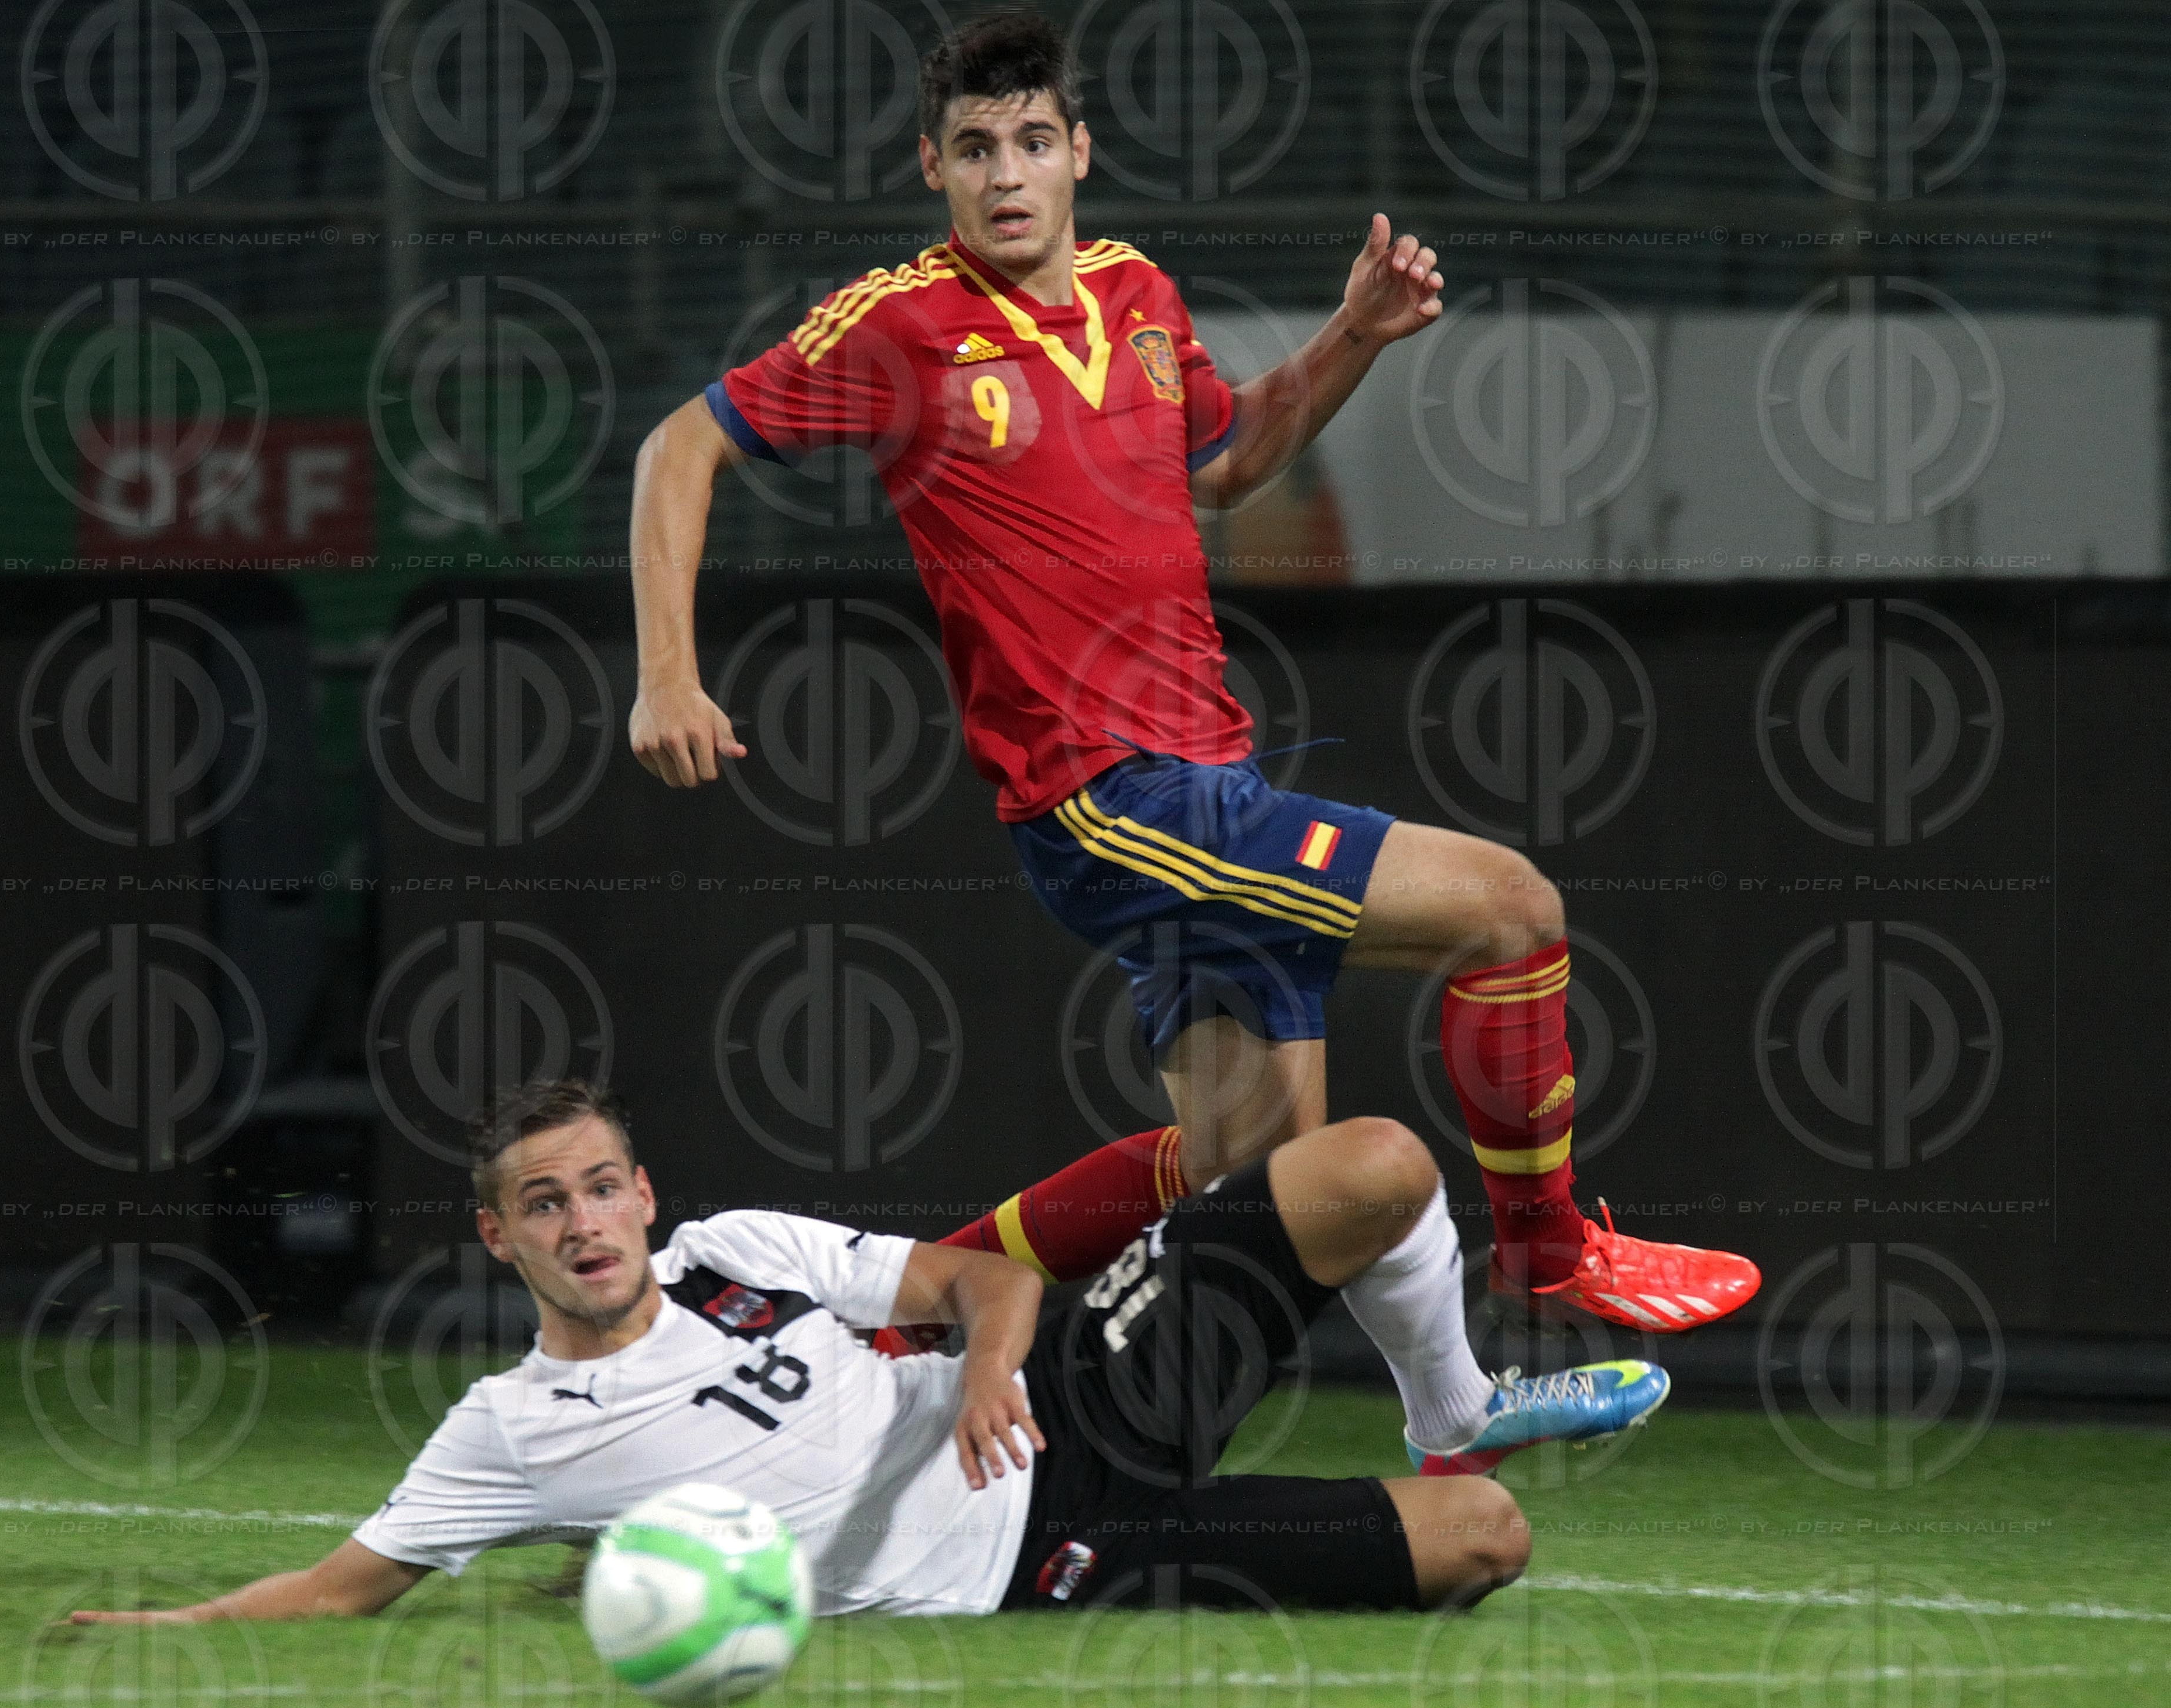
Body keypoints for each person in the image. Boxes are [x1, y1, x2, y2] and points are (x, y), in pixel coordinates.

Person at [626, 8, 1758, 1335]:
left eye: (1031, 141)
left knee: (1250, 1189)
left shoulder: (1137, 292)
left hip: (1200, 772)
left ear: (1078, 153)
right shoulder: (900, 325)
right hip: (1109, 797)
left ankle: (881, 1324)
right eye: (974, 148)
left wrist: (1352, 336)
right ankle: (1546, 1253)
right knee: (1508, 909)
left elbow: (1220, 466)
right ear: (929, 168)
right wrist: (665, 676)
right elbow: (675, 449)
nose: (1005, 174)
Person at [71, 1079, 1671, 1626]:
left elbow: (979, 1275)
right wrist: (163, 1620)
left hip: (1067, 1395)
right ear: (499, 1240)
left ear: (645, 1192)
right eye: (542, 1206)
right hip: (1039, 1547)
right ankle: (1452, 1476)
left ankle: (1457, 1402)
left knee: (1378, 1159)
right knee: (1486, 1545)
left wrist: (988, 1363)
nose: (585, 1223)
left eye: (602, 1187)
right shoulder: (513, 1427)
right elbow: (345, 1588)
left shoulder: (735, 1254)